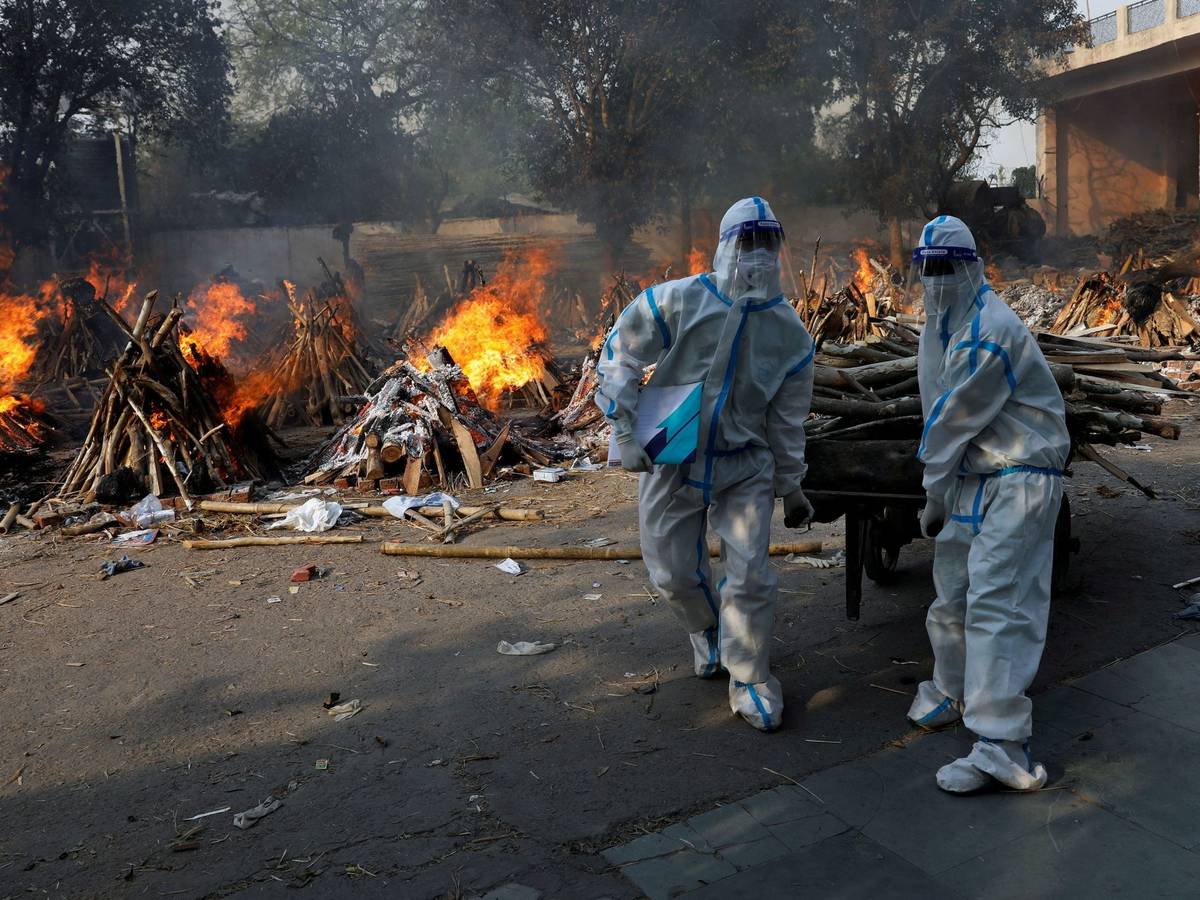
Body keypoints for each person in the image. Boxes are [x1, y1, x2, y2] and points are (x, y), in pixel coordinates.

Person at [594, 197, 815, 732]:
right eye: (746, 243)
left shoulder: (788, 332)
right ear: (724, 246)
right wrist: (623, 428)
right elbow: (621, 351)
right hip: (674, 453)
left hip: (745, 463)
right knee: (670, 572)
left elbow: (787, 419)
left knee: (751, 573)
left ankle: (750, 676)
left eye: (766, 244)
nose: (756, 256)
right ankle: (707, 628)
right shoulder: (678, 300)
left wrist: (792, 485)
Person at [906, 215, 1070, 792]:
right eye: (927, 269)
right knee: (952, 589)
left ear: (972, 267)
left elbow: (951, 419)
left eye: (946, 268)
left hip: (1020, 474)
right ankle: (952, 689)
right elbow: (937, 408)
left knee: (1000, 601)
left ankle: (1004, 745)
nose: (936, 280)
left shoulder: (989, 330)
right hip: (975, 476)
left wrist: (932, 489)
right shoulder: (942, 325)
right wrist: (945, 489)